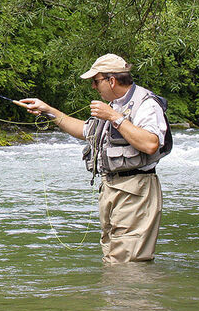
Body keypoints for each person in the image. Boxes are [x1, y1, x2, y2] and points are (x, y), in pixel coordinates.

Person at [18, 53, 171, 264]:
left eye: (95, 81)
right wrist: (49, 111)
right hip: (111, 190)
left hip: (136, 190)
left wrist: (113, 117)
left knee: (128, 262)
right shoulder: (113, 105)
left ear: (112, 80)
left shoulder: (146, 104)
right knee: (113, 258)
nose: (93, 87)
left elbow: (151, 143)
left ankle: (134, 296)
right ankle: (119, 296)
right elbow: (84, 130)